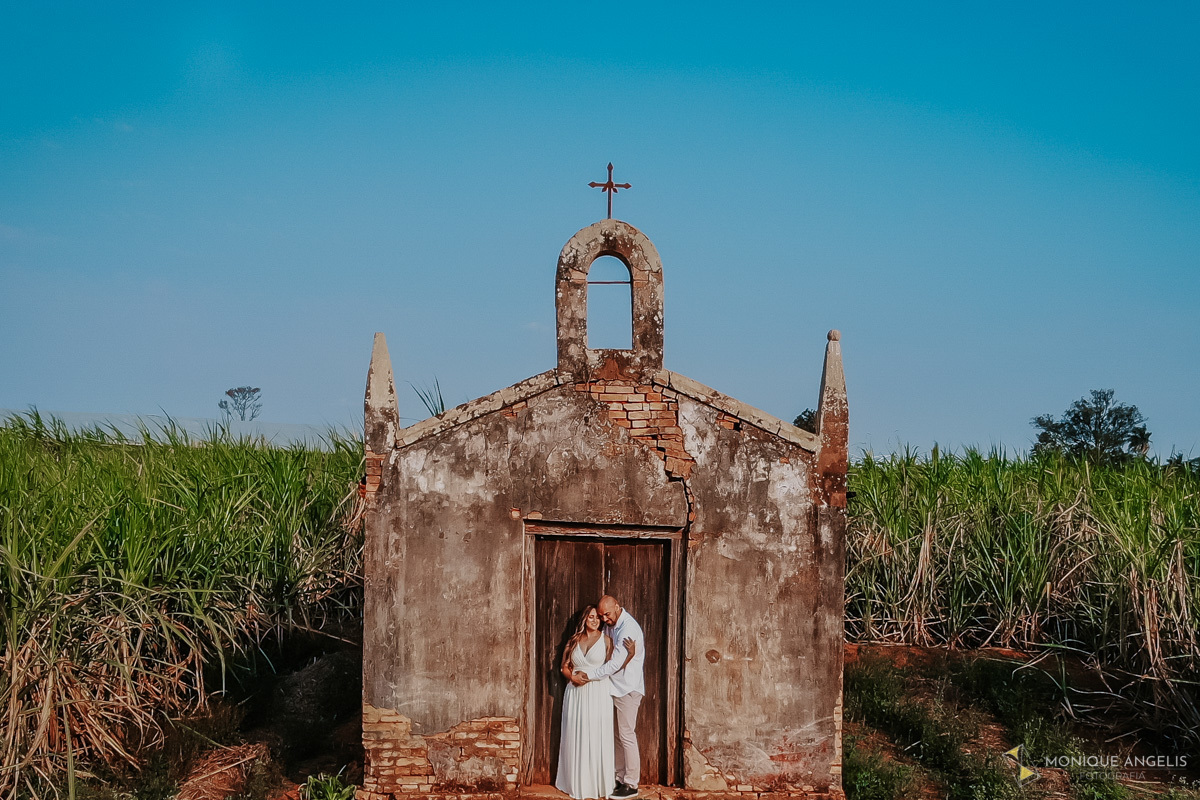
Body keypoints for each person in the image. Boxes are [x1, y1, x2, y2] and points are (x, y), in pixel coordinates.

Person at [555, 605, 636, 800]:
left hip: (599, 692)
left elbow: (612, 667)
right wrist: (571, 677)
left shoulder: (607, 640)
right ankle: (577, 781)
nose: (595, 620)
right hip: (576, 693)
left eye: (598, 618)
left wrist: (630, 655)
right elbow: (564, 666)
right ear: (584, 619)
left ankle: (599, 782)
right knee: (576, 734)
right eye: (591, 617)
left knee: (597, 734)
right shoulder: (573, 640)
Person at [580, 595, 645, 799]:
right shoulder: (612, 626)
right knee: (617, 736)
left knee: (627, 735)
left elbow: (616, 663)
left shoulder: (628, 628)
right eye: (601, 616)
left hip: (627, 688)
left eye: (607, 614)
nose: (604, 619)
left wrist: (588, 675)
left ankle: (631, 784)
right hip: (613, 688)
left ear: (617, 607)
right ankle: (619, 777)